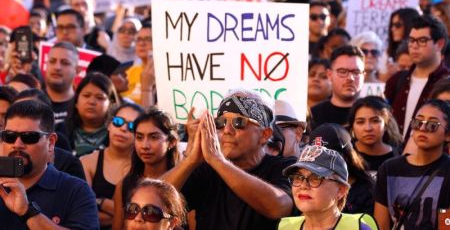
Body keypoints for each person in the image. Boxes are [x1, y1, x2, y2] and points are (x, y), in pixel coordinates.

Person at [162, 89, 295, 230]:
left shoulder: (286, 167)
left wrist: (218, 160)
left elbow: (278, 207)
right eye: (220, 122)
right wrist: (190, 160)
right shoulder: (206, 170)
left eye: (239, 122)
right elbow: (154, 200)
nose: (227, 130)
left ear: (264, 135)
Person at [0, 100, 99, 229]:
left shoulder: (76, 191)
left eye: (29, 137)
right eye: (10, 136)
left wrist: (28, 211)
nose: (17, 144)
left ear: (51, 142)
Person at [374, 99, 450, 230]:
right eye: (418, 122)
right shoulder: (389, 169)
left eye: (432, 125)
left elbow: (446, 225)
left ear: (448, 134)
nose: (422, 128)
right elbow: (381, 225)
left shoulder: (447, 171)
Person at [384, 15, 449, 150]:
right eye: (412, 40)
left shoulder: (446, 84)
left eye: (422, 40)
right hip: (396, 158)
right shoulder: (397, 80)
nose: (414, 46)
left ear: (440, 44)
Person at [112, 107, 180, 230]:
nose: (145, 145)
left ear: (171, 142)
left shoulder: (186, 180)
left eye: (153, 137)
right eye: (139, 137)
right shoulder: (125, 185)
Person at [279, 145, 377, 230]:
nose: (303, 185)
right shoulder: (285, 227)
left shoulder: (358, 227)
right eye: (297, 177)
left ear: (341, 190)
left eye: (316, 178)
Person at [82, 103, 144, 230]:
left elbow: (144, 216)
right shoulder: (88, 162)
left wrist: (100, 202)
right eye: (118, 121)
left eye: (132, 126)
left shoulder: (144, 167)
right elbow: (84, 214)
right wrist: (125, 215)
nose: (123, 128)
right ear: (109, 124)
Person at [308, 123, 375, 214]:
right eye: (316, 158)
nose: (322, 163)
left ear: (348, 156)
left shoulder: (367, 190)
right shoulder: (305, 185)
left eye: (329, 158)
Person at [63, 72, 118, 157]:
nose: (91, 102)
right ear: (76, 101)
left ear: (111, 104)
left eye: (100, 97)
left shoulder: (118, 136)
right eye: (86, 95)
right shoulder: (60, 131)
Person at [348, 96, 403, 179]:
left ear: (386, 124)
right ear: (352, 127)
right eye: (360, 122)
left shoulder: (399, 158)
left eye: (375, 121)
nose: (368, 128)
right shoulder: (345, 156)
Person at [311, 45, 365, 128]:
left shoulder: (375, 115)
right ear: (329, 75)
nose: (350, 78)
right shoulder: (313, 116)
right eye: (343, 71)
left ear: (363, 76)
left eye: (356, 72)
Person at [44, 42, 80, 125]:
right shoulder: (32, 101)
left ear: (77, 70)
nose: (57, 67)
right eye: (52, 61)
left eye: (65, 63)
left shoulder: (83, 107)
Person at [381, 8, 420, 81]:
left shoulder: (422, 51)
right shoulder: (388, 52)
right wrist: (390, 74)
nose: (393, 29)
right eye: (392, 25)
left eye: (397, 25)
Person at [122, 23, 156, 106]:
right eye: (139, 39)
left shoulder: (165, 75)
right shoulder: (128, 72)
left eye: (148, 39)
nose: (142, 43)